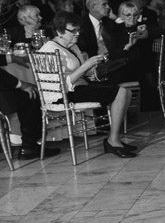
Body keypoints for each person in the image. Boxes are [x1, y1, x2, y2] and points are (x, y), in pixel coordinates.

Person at [40, 11, 137, 158]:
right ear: (59, 31)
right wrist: (86, 66)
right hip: (63, 94)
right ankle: (113, 141)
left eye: (78, 30)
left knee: (126, 92)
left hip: (79, 87)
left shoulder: (73, 47)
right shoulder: (50, 50)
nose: (77, 34)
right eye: (73, 31)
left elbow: (81, 73)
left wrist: (93, 67)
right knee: (121, 92)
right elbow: (59, 84)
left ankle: (114, 138)